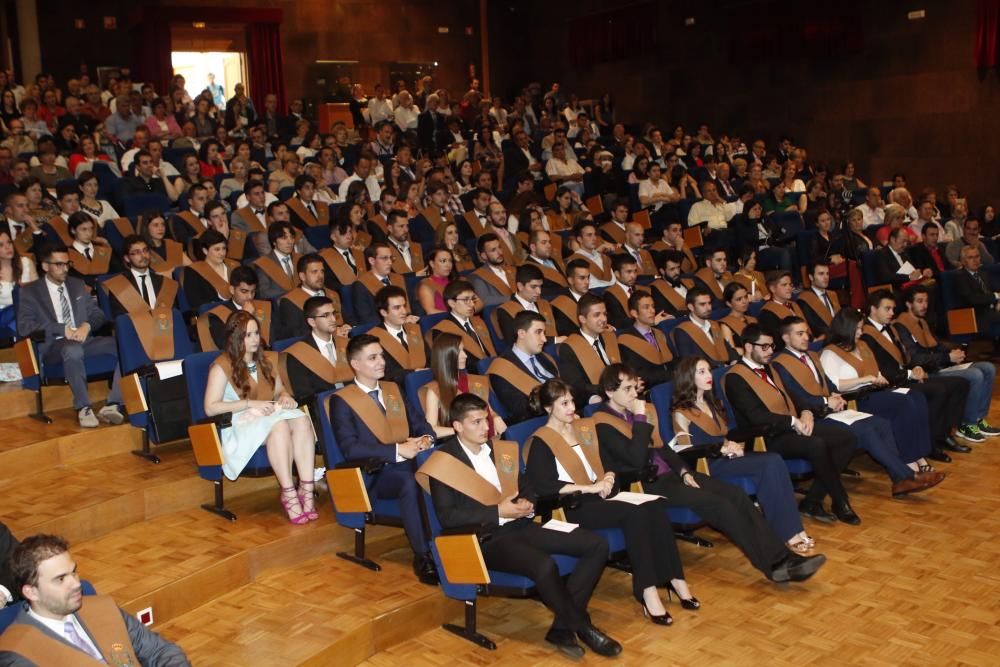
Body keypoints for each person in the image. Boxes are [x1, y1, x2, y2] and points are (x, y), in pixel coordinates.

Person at [416, 393, 621, 659]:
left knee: (595, 544)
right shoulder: (444, 462)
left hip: (520, 524)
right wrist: (498, 511)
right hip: (484, 538)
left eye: (486, 420)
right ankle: (583, 627)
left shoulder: (498, 449)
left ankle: (561, 627)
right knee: (544, 564)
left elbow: (527, 485)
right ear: (457, 426)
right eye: (476, 422)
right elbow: (448, 518)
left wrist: (528, 503)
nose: (485, 428)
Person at [596, 363, 826, 580]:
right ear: (609, 391)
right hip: (649, 483)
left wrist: (685, 472)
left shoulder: (634, 412)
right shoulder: (603, 423)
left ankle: (785, 557)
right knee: (721, 504)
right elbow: (636, 459)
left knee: (736, 495)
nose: (634, 395)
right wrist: (640, 418)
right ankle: (774, 567)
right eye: (627, 389)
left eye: (634, 388)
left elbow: (663, 448)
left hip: (674, 476)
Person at [524, 378, 694, 627]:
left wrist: (608, 478)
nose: (572, 407)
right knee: (634, 514)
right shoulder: (541, 441)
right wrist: (590, 487)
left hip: (600, 495)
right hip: (572, 506)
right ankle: (647, 591)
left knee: (654, 503)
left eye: (572, 401)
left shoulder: (582, 428)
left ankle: (676, 579)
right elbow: (546, 486)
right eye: (564, 403)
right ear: (549, 408)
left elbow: (607, 463)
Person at [775, 316, 944, 497]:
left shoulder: (811, 356)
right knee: (866, 430)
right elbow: (794, 398)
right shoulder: (780, 364)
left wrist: (834, 395)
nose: (806, 337)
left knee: (881, 424)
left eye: (806, 333)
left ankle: (899, 480)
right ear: (786, 338)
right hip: (811, 417)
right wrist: (825, 402)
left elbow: (828, 384)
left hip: (830, 409)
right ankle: (906, 476)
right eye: (799, 334)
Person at [671, 358, 817, 554]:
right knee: (769, 462)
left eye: (709, 370)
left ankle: (796, 530)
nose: (709, 376)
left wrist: (733, 446)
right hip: (708, 464)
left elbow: (726, 435)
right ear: (688, 377)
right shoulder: (681, 412)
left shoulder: (711, 402)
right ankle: (788, 534)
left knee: (774, 460)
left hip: (727, 457)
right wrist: (721, 448)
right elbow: (686, 451)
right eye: (701, 372)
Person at [329, 334, 438, 584]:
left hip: (410, 459)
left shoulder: (392, 389)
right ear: (355, 364)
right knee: (411, 481)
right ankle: (424, 555)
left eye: (381, 355)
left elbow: (420, 423)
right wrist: (398, 451)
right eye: (373, 358)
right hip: (375, 472)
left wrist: (426, 440)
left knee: (440, 470)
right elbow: (350, 448)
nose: (381, 362)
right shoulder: (342, 400)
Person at [723, 325, 860, 525]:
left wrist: (805, 412)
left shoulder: (767, 366)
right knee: (816, 444)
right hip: (764, 436)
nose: (771, 351)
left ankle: (812, 501)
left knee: (846, 437)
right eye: (765, 347)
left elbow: (792, 395)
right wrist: (793, 421)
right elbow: (756, 417)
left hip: (788, 426)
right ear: (748, 347)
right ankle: (840, 501)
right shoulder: (735, 377)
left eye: (772, 346)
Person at [0, 534, 191, 664]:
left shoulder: (104, 607)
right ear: (31, 592)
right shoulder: (18, 653)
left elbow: (162, 652)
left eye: (73, 572)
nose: (76, 583)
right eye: (60, 579)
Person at [203, 311, 316, 523]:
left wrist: (284, 398)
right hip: (238, 421)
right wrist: (248, 403)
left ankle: (307, 490)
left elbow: (279, 391)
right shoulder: (222, 366)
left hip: (267, 413)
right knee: (280, 426)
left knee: (301, 419)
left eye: (256, 333)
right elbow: (210, 408)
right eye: (248, 335)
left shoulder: (268, 359)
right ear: (235, 338)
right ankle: (289, 493)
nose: (255, 339)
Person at [820, 307, 948, 465]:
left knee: (916, 396)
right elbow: (835, 386)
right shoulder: (830, 353)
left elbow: (875, 370)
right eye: (857, 329)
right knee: (903, 404)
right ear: (846, 328)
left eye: (861, 328)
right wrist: (864, 379)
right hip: (857, 399)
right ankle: (909, 460)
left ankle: (919, 454)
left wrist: (878, 377)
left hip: (875, 391)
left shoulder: (862, 346)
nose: (861, 332)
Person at [16, 245, 124, 428]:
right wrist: (60, 329)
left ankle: (113, 404)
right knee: (71, 349)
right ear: (45, 266)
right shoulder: (30, 291)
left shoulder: (77, 285)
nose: (65, 269)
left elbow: (98, 315)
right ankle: (84, 408)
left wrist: (86, 325)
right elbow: (25, 327)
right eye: (59, 264)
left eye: (67, 264)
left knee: (123, 345)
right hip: (54, 346)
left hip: (84, 340)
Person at [862, 290, 971, 455]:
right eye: (887, 309)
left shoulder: (889, 328)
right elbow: (880, 369)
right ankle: (932, 442)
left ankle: (945, 433)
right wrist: (909, 374)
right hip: (890, 383)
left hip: (906, 376)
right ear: (873, 309)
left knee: (960, 383)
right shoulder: (865, 335)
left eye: (893, 309)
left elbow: (906, 357)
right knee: (938, 390)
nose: (892, 313)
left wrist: (916, 368)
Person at [896, 285, 999, 442]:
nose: (924, 305)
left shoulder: (922, 322)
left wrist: (954, 354)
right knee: (975, 374)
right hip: (926, 372)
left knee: (988, 367)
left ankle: (978, 418)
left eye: (926, 301)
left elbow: (937, 346)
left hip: (940, 365)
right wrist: (947, 358)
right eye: (919, 301)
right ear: (908, 304)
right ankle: (966, 424)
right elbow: (915, 358)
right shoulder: (900, 325)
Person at [422, 333, 505, 439]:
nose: (465, 355)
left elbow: (489, 410)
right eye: (459, 351)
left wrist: (496, 417)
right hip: (465, 442)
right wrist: (462, 429)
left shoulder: (472, 380)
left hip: (490, 435)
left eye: (463, 350)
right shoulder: (435, 390)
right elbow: (431, 430)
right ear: (447, 356)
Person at [279, 295, 352, 406]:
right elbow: (305, 395)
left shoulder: (345, 343)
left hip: (355, 400)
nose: (333, 319)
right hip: (324, 407)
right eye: (326, 315)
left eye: (333, 313)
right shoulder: (298, 354)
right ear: (312, 322)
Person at [488, 311, 559, 424]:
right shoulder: (502, 368)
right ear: (521, 333)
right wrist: (558, 405)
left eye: (544, 333)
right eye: (538, 332)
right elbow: (520, 410)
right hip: (539, 423)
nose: (544, 339)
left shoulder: (544, 357)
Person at [557, 294, 621, 408]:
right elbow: (576, 386)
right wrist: (609, 388)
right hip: (597, 400)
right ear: (582, 319)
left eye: (605, 314)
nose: (604, 319)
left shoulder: (610, 337)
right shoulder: (569, 347)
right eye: (597, 315)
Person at [274, 254, 347, 339]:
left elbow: (346, 317)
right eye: (314, 272)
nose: (320, 276)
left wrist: (347, 326)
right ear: (302, 276)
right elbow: (297, 334)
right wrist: (332, 333)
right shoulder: (290, 301)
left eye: (322, 271)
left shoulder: (332, 293)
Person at [106, 235, 179, 317]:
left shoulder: (163, 281)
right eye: (137, 252)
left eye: (145, 250)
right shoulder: (119, 285)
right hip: (135, 328)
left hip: (164, 327)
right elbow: (120, 317)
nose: (143, 255)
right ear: (127, 258)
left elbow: (173, 313)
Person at [369, 285, 426, 387]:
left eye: (404, 306)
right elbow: (385, 375)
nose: (404, 311)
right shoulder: (373, 340)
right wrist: (413, 373)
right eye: (397, 308)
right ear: (383, 312)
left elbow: (431, 359)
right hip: (398, 390)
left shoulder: (415, 330)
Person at [616, 291, 673, 387]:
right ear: (634, 313)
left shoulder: (660, 333)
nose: (652, 311)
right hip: (651, 391)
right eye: (646, 307)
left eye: (652, 306)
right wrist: (672, 375)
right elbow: (640, 375)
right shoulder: (626, 340)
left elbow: (672, 361)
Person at [673, 287, 734, 368]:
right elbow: (690, 362)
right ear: (691, 307)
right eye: (702, 304)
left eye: (709, 303)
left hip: (724, 368)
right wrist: (721, 366)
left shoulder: (714, 324)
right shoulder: (683, 332)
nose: (709, 308)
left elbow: (727, 347)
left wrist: (735, 360)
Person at [352, 242, 407, 323]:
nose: (390, 262)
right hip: (382, 328)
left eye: (391, 258)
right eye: (385, 258)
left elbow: (410, 306)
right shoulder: (361, 285)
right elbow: (366, 318)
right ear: (372, 261)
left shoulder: (399, 279)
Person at [951, 245, 1000, 337]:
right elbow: (972, 300)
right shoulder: (960, 277)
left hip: (992, 310)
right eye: (970, 257)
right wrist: (995, 297)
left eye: (977, 256)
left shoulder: (983, 274)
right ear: (963, 261)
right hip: (976, 314)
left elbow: (997, 290)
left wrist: (998, 302)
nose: (975, 260)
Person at [796, 262, 841, 340]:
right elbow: (812, 326)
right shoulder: (804, 299)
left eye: (827, 273)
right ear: (811, 277)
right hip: (823, 341)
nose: (826, 277)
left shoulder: (832, 294)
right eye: (821, 274)